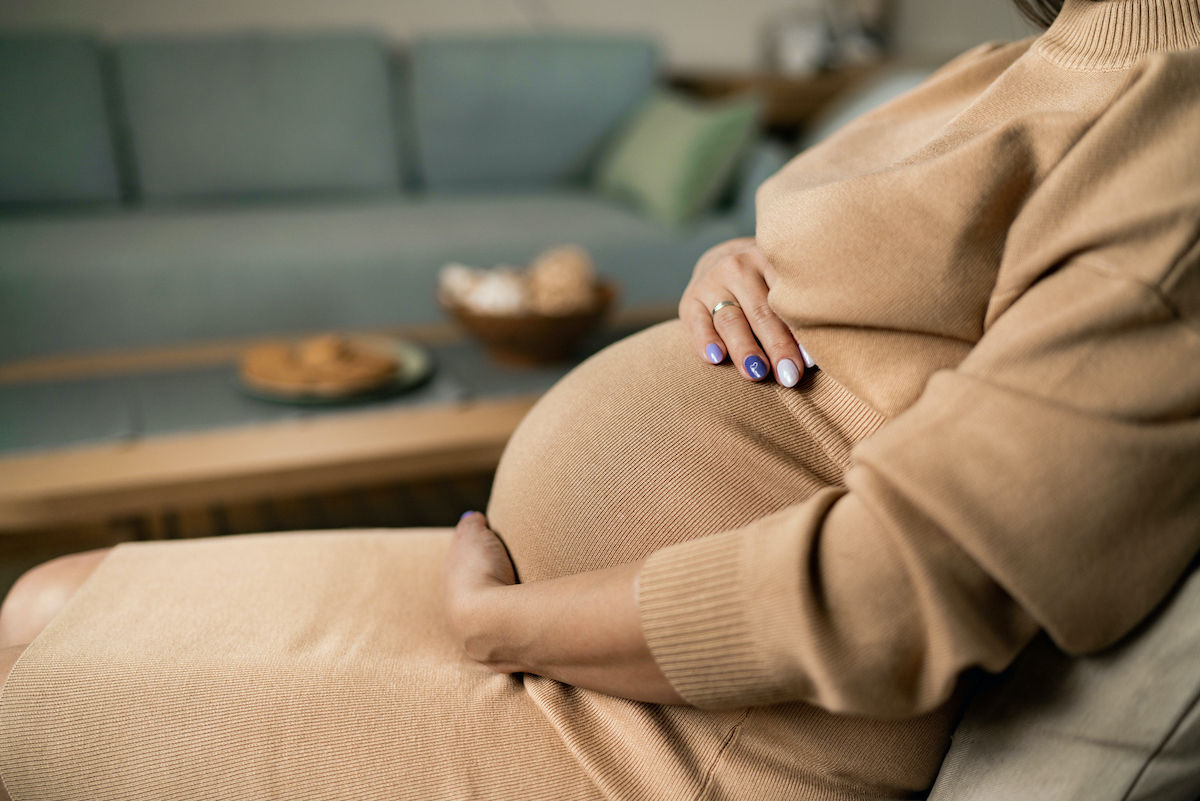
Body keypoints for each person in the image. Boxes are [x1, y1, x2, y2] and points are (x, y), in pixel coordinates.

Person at [1, 0, 1198, 798]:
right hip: (586, 626)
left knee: (27, 686)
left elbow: (910, 583)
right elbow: (892, 293)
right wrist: (738, 268)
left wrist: (500, 628)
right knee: (42, 596)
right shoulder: (1024, 62)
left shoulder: (1178, 126)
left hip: (708, 738)